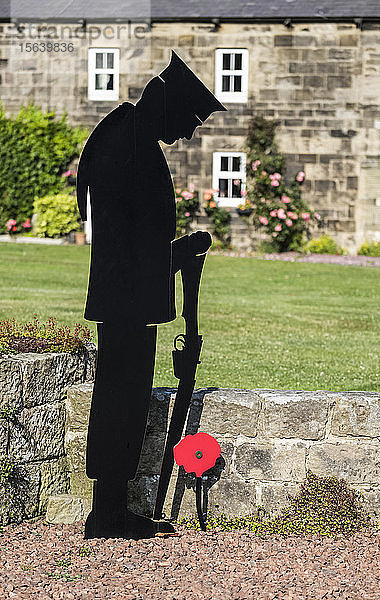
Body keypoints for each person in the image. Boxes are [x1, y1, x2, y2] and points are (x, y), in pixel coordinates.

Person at [76, 50, 226, 539]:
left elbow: (135, 238)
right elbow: (130, 244)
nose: (186, 133)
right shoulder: (130, 143)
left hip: (127, 297)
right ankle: (106, 514)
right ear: (164, 105)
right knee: (120, 399)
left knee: (124, 398)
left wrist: (175, 252)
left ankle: (110, 510)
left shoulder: (128, 136)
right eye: (186, 121)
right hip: (126, 300)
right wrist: (182, 252)